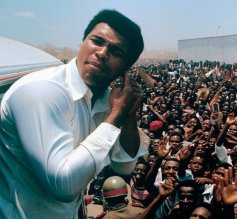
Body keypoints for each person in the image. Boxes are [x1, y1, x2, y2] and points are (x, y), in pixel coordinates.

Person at [0, 9, 146, 218]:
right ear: (83, 42)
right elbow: (63, 185)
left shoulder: (105, 99)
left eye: (116, 52)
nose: (102, 53)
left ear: (127, 68)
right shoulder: (43, 91)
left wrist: (129, 114)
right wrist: (115, 116)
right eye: (97, 41)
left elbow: (124, 165)